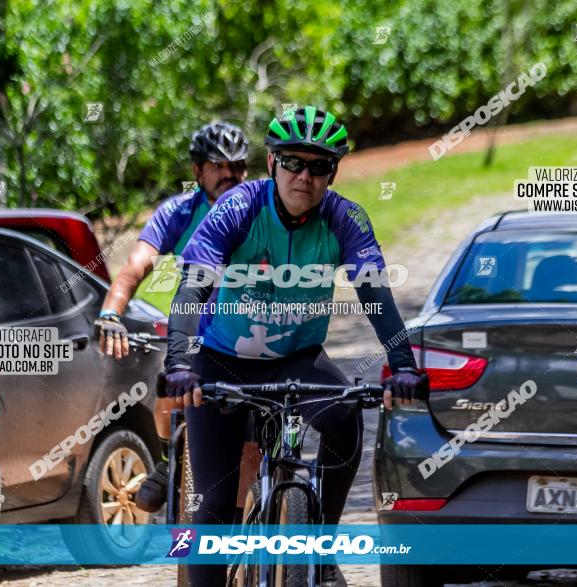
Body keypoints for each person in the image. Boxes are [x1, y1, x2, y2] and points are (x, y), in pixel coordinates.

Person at [162, 106, 424, 586]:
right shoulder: (238, 208)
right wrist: (178, 361)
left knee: (345, 418)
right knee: (215, 506)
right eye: (292, 162)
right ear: (271, 164)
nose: (304, 175)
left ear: (333, 172)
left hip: (297, 363)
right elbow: (193, 285)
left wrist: (403, 365)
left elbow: (377, 297)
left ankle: (319, 548)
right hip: (222, 362)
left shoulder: (346, 219)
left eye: (319, 166)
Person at [95, 121, 249, 512]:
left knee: (253, 452)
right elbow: (134, 268)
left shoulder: (260, 208)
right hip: (197, 332)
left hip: (252, 335)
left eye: (238, 165)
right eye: (218, 165)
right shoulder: (178, 213)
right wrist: (112, 312)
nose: (229, 174)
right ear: (198, 171)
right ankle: (169, 456)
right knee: (171, 378)